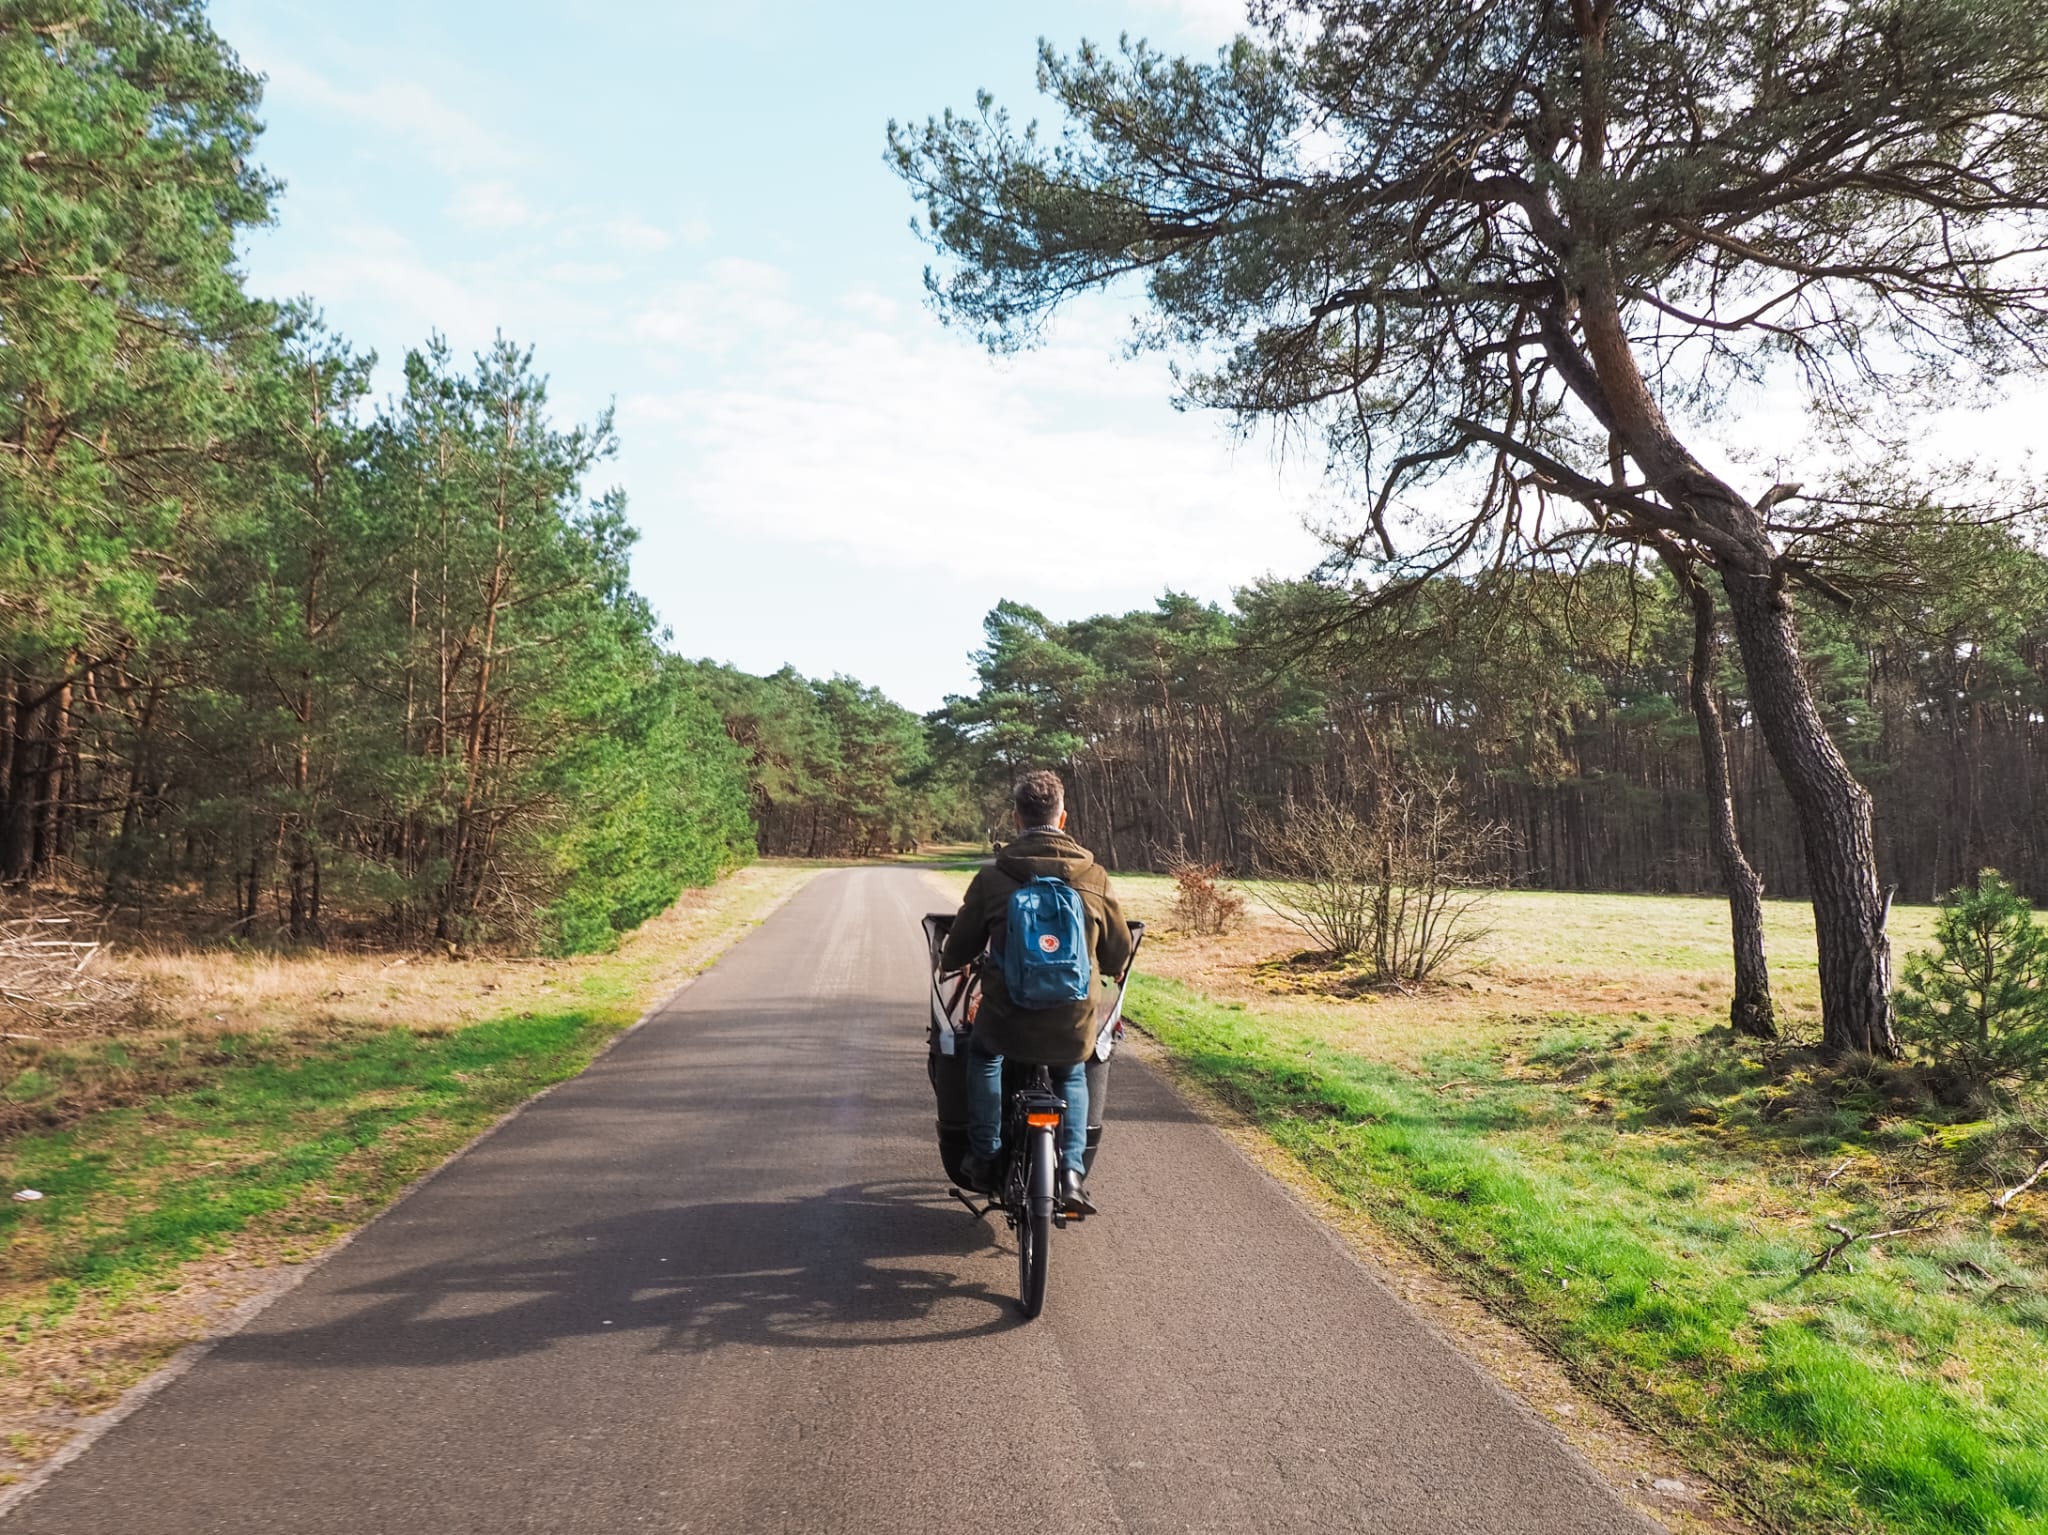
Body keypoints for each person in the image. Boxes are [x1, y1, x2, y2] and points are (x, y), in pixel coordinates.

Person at [940, 769, 1133, 1214]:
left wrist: (954, 960)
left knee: (985, 1055)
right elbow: (1118, 950)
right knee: (1071, 1071)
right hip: (1072, 1021)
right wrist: (1111, 967)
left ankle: (986, 1152)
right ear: (1062, 818)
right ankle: (1070, 1173)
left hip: (1007, 1019)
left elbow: (961, 947)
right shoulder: (1094, 877)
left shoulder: (994, 877)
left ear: (1016, 819)